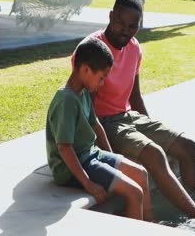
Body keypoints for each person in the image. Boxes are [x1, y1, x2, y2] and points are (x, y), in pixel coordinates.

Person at [72, 0, 195, 218]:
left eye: (133, 26)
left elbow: (135, 98)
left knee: (188, 146)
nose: (125, 30)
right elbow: (84, 107)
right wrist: (101, 150)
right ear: (111, 16)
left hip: (127, 117)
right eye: (119, 23)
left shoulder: (134, 48)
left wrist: (150, 127)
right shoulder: (92, 49)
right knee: (154, 154)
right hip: (104, 122)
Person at [46, 37, 154, 221]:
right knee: (135, 193)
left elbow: (96, 126)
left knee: (141, 174)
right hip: (73, 167)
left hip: (91, 155)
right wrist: (88, 183)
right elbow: (64, 148)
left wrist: (113, 159)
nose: (102, 83)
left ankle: (152, 224)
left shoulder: (83, 92)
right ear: (86, 70)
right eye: (101, 78)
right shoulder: (67, 100)